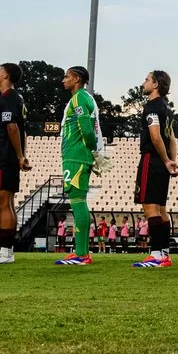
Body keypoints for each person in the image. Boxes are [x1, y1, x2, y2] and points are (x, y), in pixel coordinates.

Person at [135, 69, 178, 269]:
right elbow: (172, 138)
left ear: (155, 85)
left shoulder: (152, 107)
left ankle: (155, 254)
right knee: (161, 208)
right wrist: (171, 161)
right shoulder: (167, 109)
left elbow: (155, 136)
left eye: (147, 80)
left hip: (152, 159)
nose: (143, 83)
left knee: (150, 206)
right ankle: (164, 254)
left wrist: (164, 160)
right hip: (163, 162)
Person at [0, 62, 29, 265]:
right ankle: (7, 251)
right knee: (8, 204)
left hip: (4, 157)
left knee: (2, 204)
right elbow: (23, 130)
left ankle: (5, 252)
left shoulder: (9, 98)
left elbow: (13, 128)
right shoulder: (16, 98)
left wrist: (20, 156)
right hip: (8, 157)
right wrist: (22, 155)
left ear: (6, 75)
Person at [57, 65, 100, 268]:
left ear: (76, 79)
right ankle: (81, 252)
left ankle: (81, 254)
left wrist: (92, 150)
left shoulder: (79, 99)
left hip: (77, 156)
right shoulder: (83, 98)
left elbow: (87, 130)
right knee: (77, 201)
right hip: (75, 155)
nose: (63, 80)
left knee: (77, 201)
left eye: (66, 77)